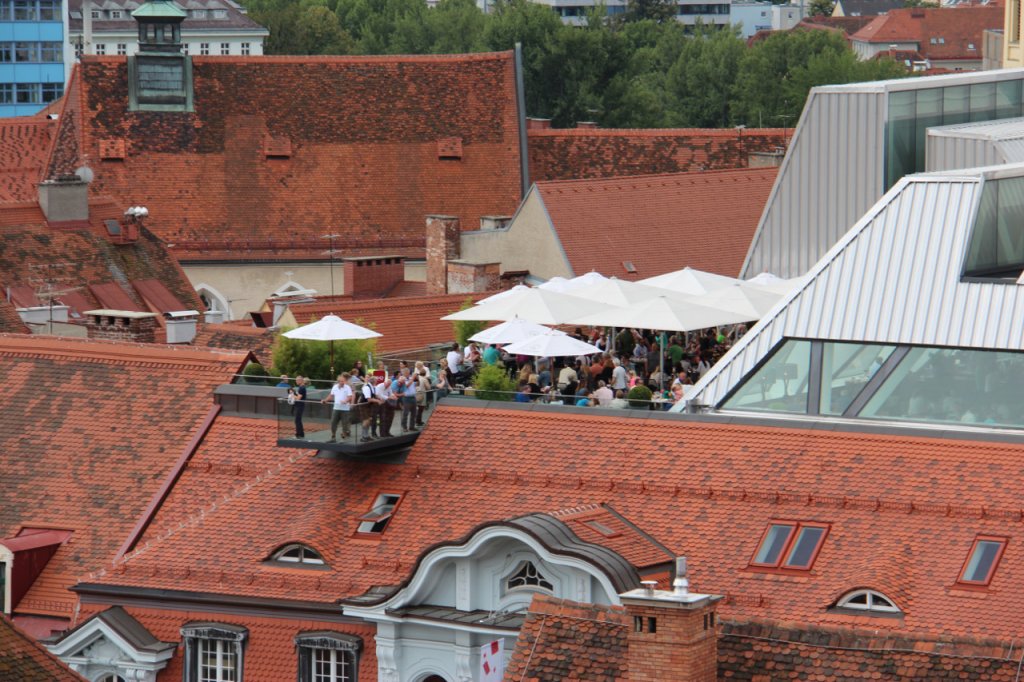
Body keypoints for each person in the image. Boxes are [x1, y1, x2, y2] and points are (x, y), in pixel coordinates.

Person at [321, 374, 353, 441]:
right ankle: (333, 437)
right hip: (336, 408)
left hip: (345, 409)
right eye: (341, 381)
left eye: (343, 381)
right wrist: (325, 400)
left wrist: (345, 401)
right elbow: (331, 395)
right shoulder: (335, 387)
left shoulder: (347, 387)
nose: (342, 382)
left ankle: (343, 436)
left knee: (345, 424)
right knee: (333, 422)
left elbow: (350, 397)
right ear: (338, 381)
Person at [359, 375, 381, 442]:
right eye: (376, 381)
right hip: (363, 405)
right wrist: (378, 401)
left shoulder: (373, 387)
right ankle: (363, 436)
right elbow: (369, 399)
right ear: (374, 381)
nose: (377, 382)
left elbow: (375, 395)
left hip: (369, 406)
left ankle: (366, 436)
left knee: (369, 420)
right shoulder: (367, 387)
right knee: (366, 421)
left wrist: (380, 399)